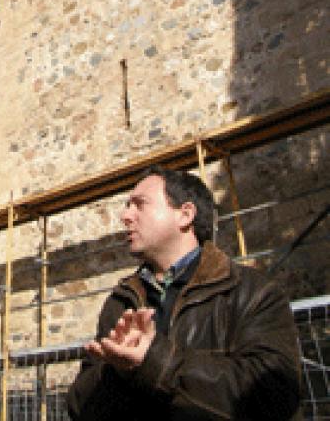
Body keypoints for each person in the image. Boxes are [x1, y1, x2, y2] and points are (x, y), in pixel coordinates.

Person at [67, 166, 303, 420]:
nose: (125, 215)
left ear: (185, 214)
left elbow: (274, 396)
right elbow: (79, 406)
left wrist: (155, 361)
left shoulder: (252, 292)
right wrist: (117, 370)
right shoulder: (120, 301)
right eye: (127, 206)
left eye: (139, 204)